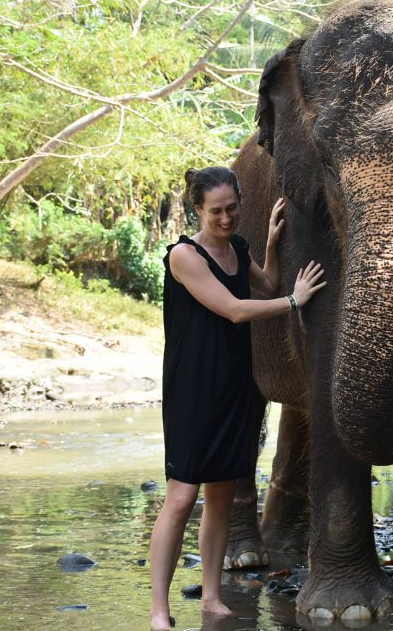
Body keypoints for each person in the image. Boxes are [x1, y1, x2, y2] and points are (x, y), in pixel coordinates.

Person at [149, 165, 325, 631]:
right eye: (215, 212)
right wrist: (295, 301)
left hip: (233, 385)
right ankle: (159, 610)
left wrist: (268, 241)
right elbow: (234, 309)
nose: (225, 219)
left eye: (232, 209)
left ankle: (211, 597)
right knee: (182, 497)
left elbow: (264, 285)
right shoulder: (185, 256)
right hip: (192, 389)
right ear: (197, 211)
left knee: (222, 495)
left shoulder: (237, 248)